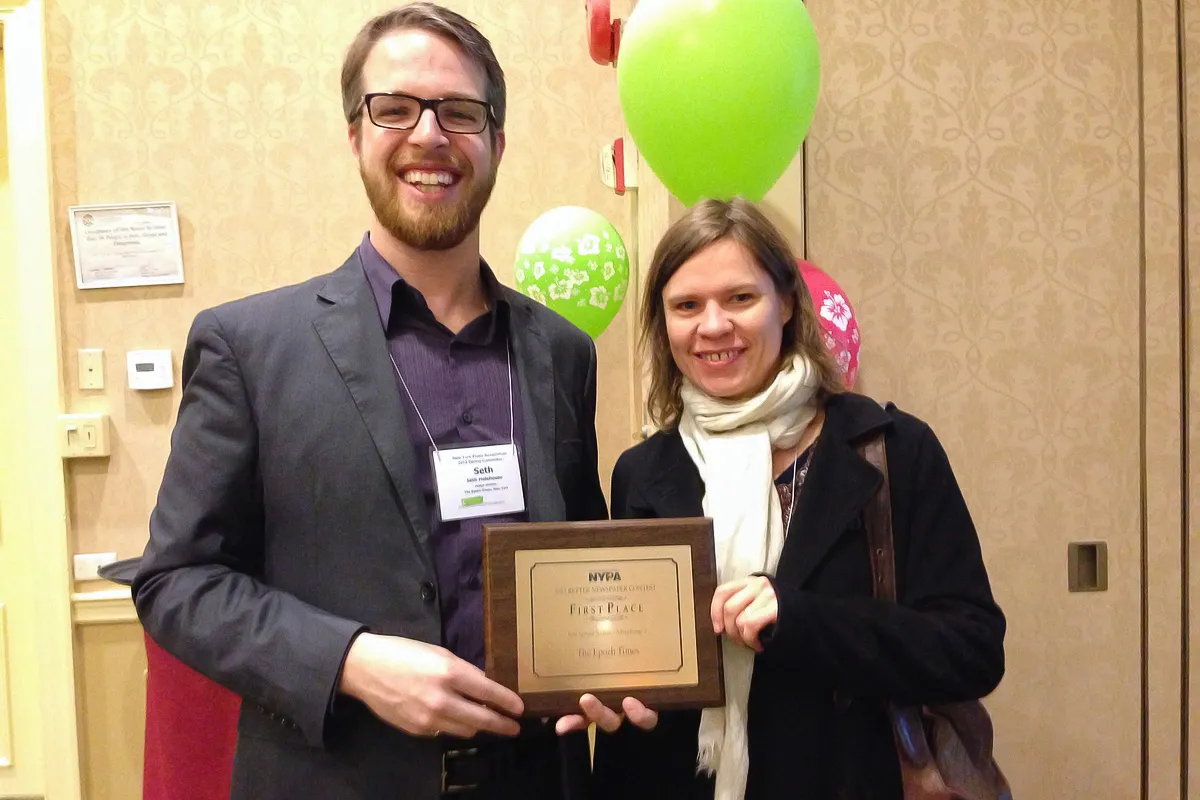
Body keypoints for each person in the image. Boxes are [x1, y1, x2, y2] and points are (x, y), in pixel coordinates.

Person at [132, 4, 605, 799]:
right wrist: (349, 661)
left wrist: (610, 661)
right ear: (355, 134)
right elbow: (174, 581)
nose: (429, 135)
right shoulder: (249, 346)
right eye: (396, 109)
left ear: (496, 141)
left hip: (535, 780)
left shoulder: (563, 352)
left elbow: (581, 557)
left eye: (460, 112)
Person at [569, 198, 1005, 799]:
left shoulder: (889, 450)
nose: (714, 325)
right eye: (687, 306)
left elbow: (972, 650)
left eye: (740, 298)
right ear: (663, 324)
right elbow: (645, 659)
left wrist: (798, 618)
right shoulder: (644, 471)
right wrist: (612, 694)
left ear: (788, 303)